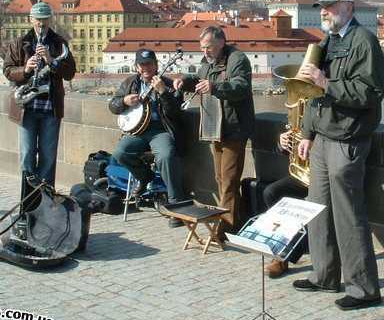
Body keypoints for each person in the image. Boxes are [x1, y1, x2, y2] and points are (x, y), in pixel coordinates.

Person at [292, 0, 384, 311]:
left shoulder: (365, 42)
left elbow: (370, 94)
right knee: (316, 211)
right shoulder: (327, 42)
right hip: (322, 139)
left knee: (349, 216)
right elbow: (311, 95)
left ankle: (363, 289)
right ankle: (324, 275)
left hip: (348, 140)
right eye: (323, 7)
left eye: (331, 6)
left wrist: (326, 82)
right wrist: (306, 134)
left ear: (348, 6)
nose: (325, 12)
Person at [174, 26, 255, 237]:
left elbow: (241, 86)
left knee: (229, 179)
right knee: (221, 178)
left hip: (234, 127)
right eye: (202, 48)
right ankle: (238, 220)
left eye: (208, 47)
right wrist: (184, 81)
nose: (205, 52)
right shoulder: (206, 62)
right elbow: (200, 80)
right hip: (216, 126)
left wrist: (215, 87)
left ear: (221, 42)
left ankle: (224, 227)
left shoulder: (237, 59)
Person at [4, 0, 76, 199]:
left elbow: (70, 73)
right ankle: (27, 201)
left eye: (45, 20)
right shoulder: (20, 42)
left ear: (50, 20)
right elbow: (8, 71)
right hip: (27, 107)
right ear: (31, 19)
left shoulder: (59, 43)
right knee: (27, 155)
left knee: (48, 157)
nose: (41, 24)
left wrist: (52, 61)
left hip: (50, 108)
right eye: (38, 20)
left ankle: (45, 201)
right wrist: (26, 69)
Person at [109, 48, 186, 227]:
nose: (146, 68)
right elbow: (113, 106)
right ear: (137, 67)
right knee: (120, 153)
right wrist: (124, 102)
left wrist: (163, 93)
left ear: (156, 65)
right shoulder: (129, 83)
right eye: (142, 65)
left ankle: (176, 204)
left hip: (161, 130)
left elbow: (176, 113)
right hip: (138, 132)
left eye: (149, 64)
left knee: (166, 155)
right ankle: (145, 177)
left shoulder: (167, 83)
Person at [262, 130, 309, 278]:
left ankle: (284, 256)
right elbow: (285, 151)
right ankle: (281, 245)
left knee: (314, 203)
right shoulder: (300, 113)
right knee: (271, 192)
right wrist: (283, 143)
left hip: (322, 173)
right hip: (302, 174)